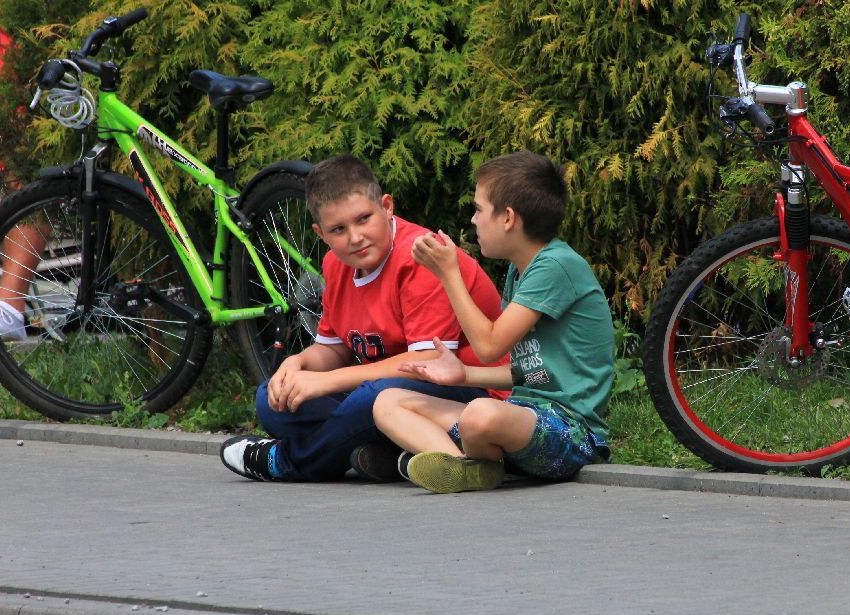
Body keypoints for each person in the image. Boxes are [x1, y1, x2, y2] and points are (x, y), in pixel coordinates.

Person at [219, 154, 507, 483]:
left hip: (473, 394)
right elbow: (334, 349)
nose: (355, 237)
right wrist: (298, 364)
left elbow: (428, 361)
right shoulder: (336, 264)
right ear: (320, 233)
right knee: (273, 398)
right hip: (393, 395)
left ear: (387, 207)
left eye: (363, 219)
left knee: (369, 399)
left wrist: (327, 382)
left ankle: (289, 461)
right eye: (338, 229)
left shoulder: (422, 255)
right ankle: (385, 452)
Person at [372, 151, 614, 493]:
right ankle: (467, 467)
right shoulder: (520, 270)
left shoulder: (555, 266)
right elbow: (528, 370)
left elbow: (488, 347)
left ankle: (466, 462)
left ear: (508, 218)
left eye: (479, 209)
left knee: (481, 414)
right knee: (387, 402)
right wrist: (464, 374)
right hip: (518, 419)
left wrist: (449, 273)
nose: (473, 219)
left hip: (570, 433)